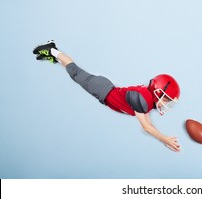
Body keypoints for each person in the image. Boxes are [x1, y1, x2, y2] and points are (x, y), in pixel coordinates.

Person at [33, 40, 181, 152]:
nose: (165, 103)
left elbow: (149, 126)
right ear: (158, 91)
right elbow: (147, 127)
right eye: (166, 99)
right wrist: (164, 139)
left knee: (75, 74)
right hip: (102, 88)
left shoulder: (146, 102)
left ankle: (54, 55)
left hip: (104, 89)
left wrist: (163, 140)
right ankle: (52, 50)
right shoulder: (142, 99)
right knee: (75, 73)